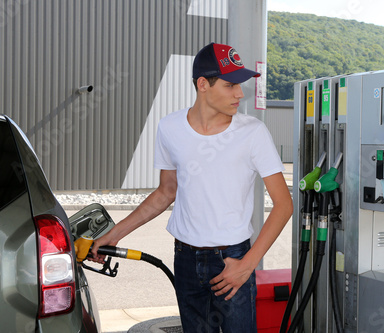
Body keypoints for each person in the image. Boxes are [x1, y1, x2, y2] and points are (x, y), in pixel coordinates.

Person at [90, 42, 293, 332]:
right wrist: (114, 235)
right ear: (203, 84)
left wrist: (248, 265)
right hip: (185, 259)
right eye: (230, 85)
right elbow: (165, 192)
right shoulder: (170, 128)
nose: (239, 93)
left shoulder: (252, 133)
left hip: (232, 259)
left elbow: (284, 205)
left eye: (240, 85)